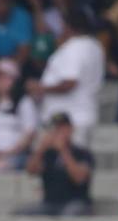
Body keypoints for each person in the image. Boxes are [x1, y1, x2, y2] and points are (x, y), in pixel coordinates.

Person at [26, 9, 104, 147]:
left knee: (64, 163)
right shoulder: (95, 46)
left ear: (68, 26)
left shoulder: (74, 48)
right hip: (83, 115)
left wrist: (39, 87)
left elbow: (70, 83)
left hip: (68, 120)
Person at [14, 112, 93, 217]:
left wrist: (63, 151)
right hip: (50, 203)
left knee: (70, 214)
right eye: (55, 129)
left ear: (71, 129)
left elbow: (79, 178)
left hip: (76, 202)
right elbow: (30, 171)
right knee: (21, 214)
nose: (58, 132)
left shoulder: (82, 153)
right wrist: (41, 148)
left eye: (62, 128)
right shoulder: (47, 154)